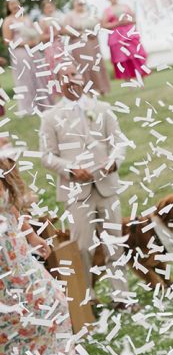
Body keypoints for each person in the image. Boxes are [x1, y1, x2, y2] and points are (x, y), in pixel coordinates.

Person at [1, 137, 77, 355]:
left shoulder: (3, 158)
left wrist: (32, 236)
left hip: (15, 260)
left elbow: (14, 204)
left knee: (49, 310)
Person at [39, 65, 136, 311]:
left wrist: (114, 161)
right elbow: (47, 156)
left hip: (106, 186)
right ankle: (88, 298)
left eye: (74, 74)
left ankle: (122, 297)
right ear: (57, 83)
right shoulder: (50, 117)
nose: (71, 79)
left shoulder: (102, 108)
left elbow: (119, 142)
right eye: (64, 77)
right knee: (82, 247)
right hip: (76, 190)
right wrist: (71, 169)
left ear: (82, 77)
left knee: (114, 243)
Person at [2, 0, 51, 116]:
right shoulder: (8, 20)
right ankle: (29, 107)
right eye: (11, 4)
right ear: (8, 7)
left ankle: (44, 104)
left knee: (39, 77)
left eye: (16, 3)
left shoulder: (27, 18)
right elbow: (7, 41)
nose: (15, 6)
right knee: (25, 78)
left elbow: (36, 34)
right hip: (20, 53)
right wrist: (25, 44)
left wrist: (36, 41)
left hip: (34, 51)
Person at [63, 0, 111, 95]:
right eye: (78, 2)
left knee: (96, 65)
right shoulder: (70, 16)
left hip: (93, 43)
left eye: (82, 3)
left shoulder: (90, 13)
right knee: (84, 67)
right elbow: (65, 30)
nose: (80, 4)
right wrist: (81, 34)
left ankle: (102, 88)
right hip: (79, 45)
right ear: (74, 3)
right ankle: (89, 91)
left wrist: (94, 32)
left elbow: (100, 25)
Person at [100, 0, 150, 82]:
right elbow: (104, 25)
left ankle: (141, 80)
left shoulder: (126, 7)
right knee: (122, 60)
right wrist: (117, 23)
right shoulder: (106, 11)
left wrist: (127, 21)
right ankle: (129, 83)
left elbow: (134, 19)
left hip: (129, 35)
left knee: (136, 56)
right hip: (116, 38)